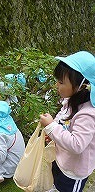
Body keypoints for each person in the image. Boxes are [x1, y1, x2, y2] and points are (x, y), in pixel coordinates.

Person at [39, 51, 95, 192]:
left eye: (61, 82)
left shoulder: (87, 115)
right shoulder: (71, 100)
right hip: (61, 159)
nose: (56, 85)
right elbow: (62, 116)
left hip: (74, 172)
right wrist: (53, 132)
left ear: (81, 86)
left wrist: (52, 127)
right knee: (57, 183)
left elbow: (77, 145)